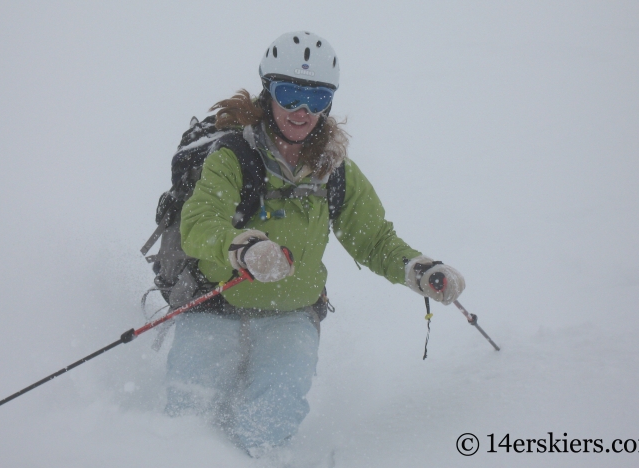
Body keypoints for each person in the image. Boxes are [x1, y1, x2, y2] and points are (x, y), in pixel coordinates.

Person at [163, 31, 465, 456]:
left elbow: (373, 238)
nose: (302, 112)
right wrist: (244, 248)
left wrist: (418, 268)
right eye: (289, 94)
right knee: (184, 421)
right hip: (214, 302)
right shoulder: (233, 156)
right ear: (268, 93)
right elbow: (199, 223)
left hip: (290, 315)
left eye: (318, 99)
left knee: (270, 425)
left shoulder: (335, 171)